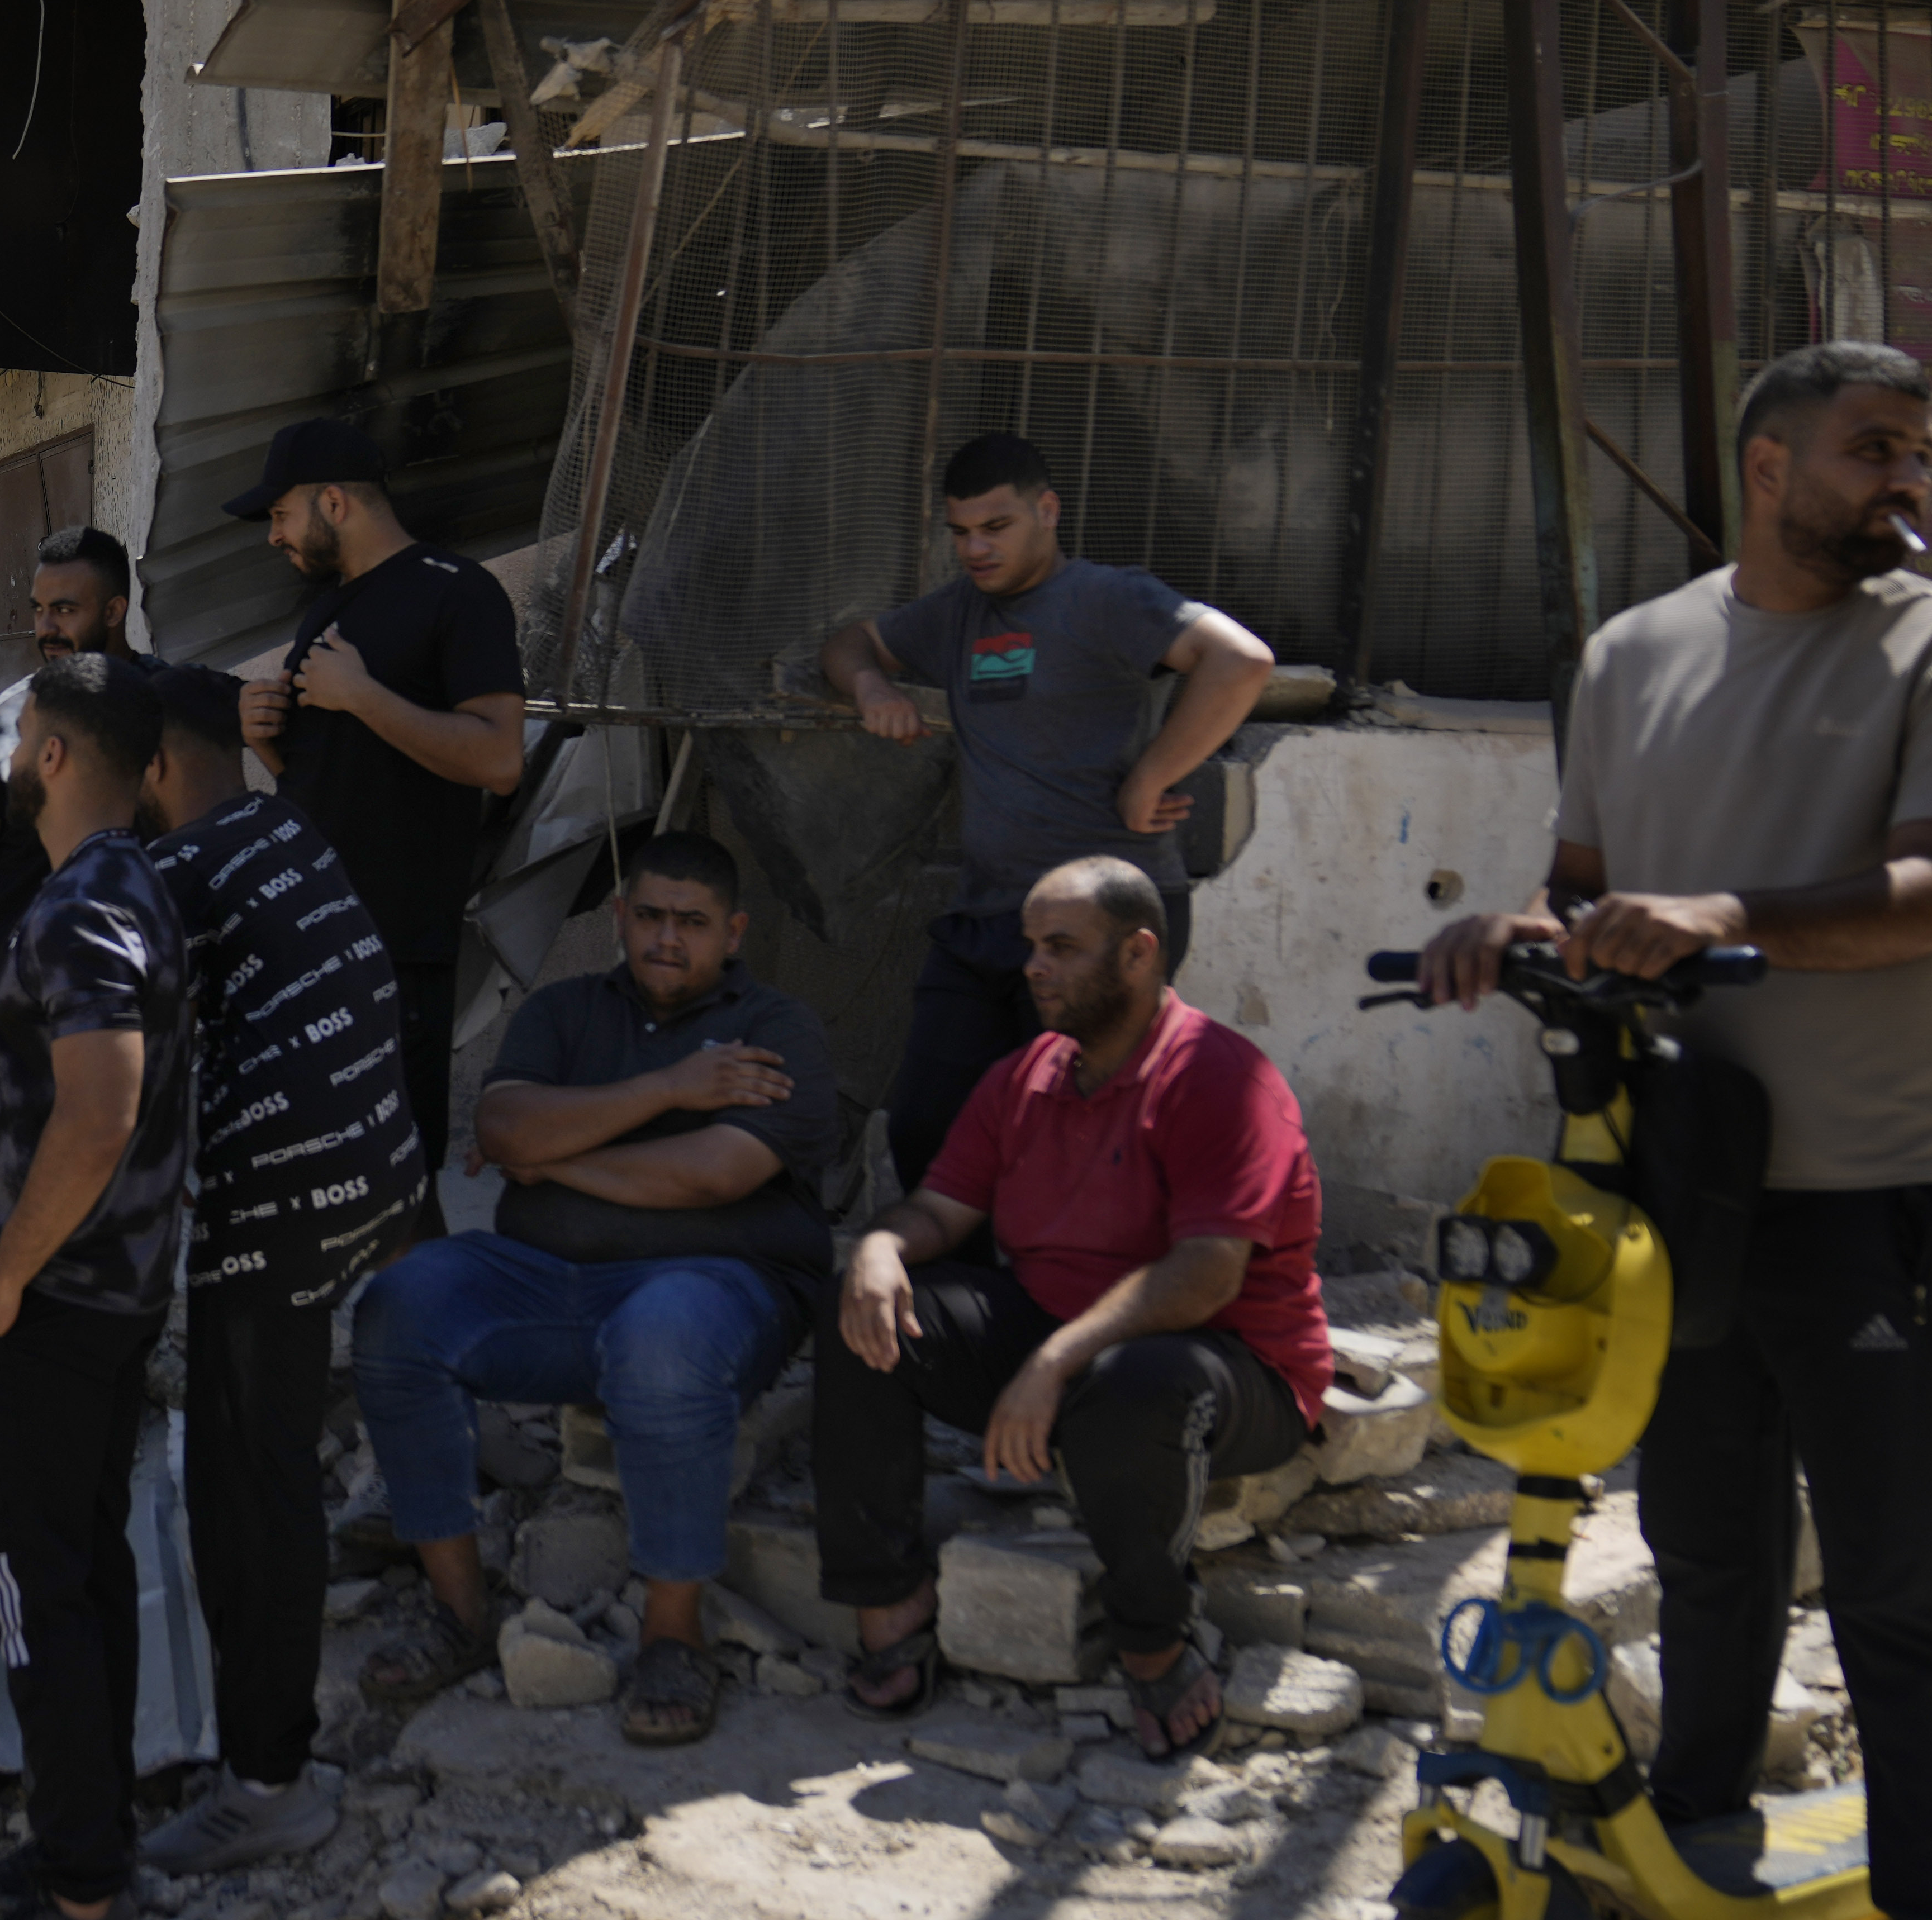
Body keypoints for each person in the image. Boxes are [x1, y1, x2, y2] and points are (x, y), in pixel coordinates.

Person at [1416, 339, 1932, 1920]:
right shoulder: (1633, 656)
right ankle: (1691, 1814)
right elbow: (1588, 885)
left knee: (1906, 1585)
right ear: (1768, 464)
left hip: (1883, 1179)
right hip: (1677, 1175)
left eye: (1919, 450)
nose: (1903, 481)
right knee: (1705, 1539)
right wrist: (1510, 930)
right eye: (1871, 450)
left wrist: (1716, 910)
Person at [828, 854, 1328, 1760]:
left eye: (1062, 947)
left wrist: (1052, 1363)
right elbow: (941, 1212)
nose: (1034, 968)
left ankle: (1152, 1643)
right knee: (867, 1314)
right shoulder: (1026, 1074)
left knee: (1131, 1381)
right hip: (1053, 1335)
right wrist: (878, 1248)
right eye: (1031, 947)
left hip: (1229, 1363)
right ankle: (891, 1598)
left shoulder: (1221, 1077)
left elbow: (1209, 1275)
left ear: (1139, 954)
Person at [353, 834, 834, 1750]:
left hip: (720, 1287)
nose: (665, 939)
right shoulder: (567, 1012)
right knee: (399, 1305)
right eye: (649, 916)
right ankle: (458, 1610)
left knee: (659, 1339)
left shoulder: (779, 1030)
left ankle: (672, 1634)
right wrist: (672, 1087)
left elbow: (711, 1176)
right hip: (548, 1282)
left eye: (690, 924)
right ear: (619, 919)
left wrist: (556, 1160)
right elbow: (500, 1123)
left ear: (731, 934)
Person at [0, 654, 196, 1920]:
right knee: (80, 1577)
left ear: (50, 754)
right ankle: (89, 1840)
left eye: (23, 733)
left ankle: (85, 1905)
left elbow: (100, 1111)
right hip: (110, 1292)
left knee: (34, 1594)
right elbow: (73, 1076)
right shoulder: (131, 887)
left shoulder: (84, 905)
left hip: (54, 1306)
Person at [131, 664, 424, 1866]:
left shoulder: (178, 874)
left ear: (149, 765)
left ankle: (266, 1779)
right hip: (373, 1178)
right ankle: (265, 1748)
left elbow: (119, 1078)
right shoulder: (283, 831)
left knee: (245, 1488)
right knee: (273, 1467)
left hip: (273, 1207)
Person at [818, 431, 1280, 1190]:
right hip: (986, 916)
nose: (975, 550)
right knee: (929, 1126)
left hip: (1101, 925)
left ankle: (1063, 1300)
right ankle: (947, 1300)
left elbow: (1242, 660)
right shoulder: (958, 614)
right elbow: (850, 642)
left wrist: (1151, 775)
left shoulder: (1106, 598)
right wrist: (873, 687)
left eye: (995, 528)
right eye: (961, 533)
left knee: (1074, 1142)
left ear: (1048, 512)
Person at [230, 421, 528, 1177]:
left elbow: (498, 758)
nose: (273, 537)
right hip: (307, 946)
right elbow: (328, 778)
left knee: (395, 1180)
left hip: (394, 950)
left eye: (280, 514)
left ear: (334, 501)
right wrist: (264, 740)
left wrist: (363, 697)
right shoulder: (326, 612)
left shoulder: (458, 593)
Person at [0, 529, 144, 1031]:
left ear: (114, 612)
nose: (46, 627)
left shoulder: (167, 709)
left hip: (129, 1006)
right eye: (39, 609)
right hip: (15, 1012)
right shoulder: (5, 722)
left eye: (65, 610)